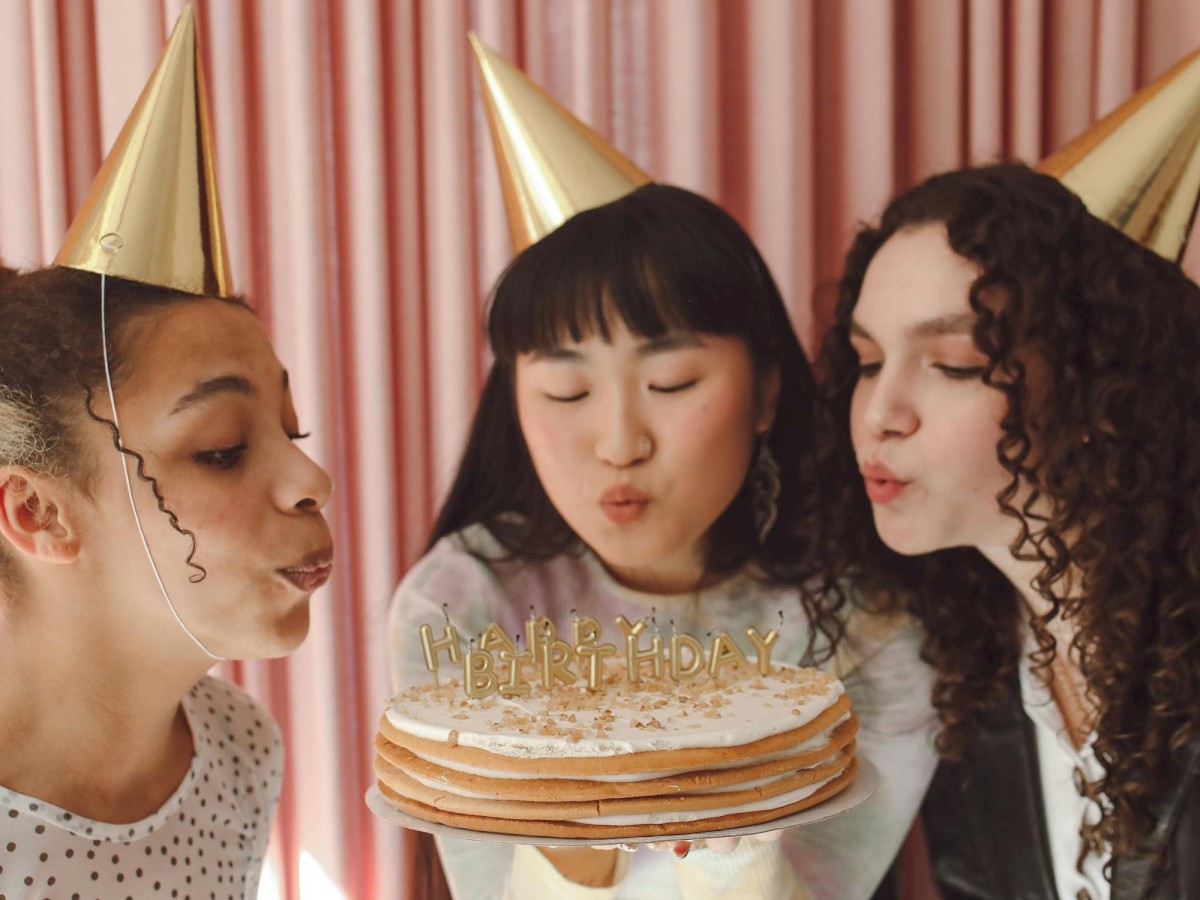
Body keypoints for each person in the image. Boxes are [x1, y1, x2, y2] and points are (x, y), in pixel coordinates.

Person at [388, 182, 937, 900]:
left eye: (671, 382)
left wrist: (729, 843)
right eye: (567, 392)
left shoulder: (868, 618)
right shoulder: (459, 608)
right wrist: (572, 843)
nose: (619, 445)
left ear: (766, 393)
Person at [0, 9, 333, 898]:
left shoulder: (238, 753)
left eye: (291, 434)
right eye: (224, 450)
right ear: (38, 512)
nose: (313, 480)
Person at [821, 162, 1200, 899]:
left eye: (953, 364)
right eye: (867, 361)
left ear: (1100, 386)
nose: (879, 413)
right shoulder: (974, 677)